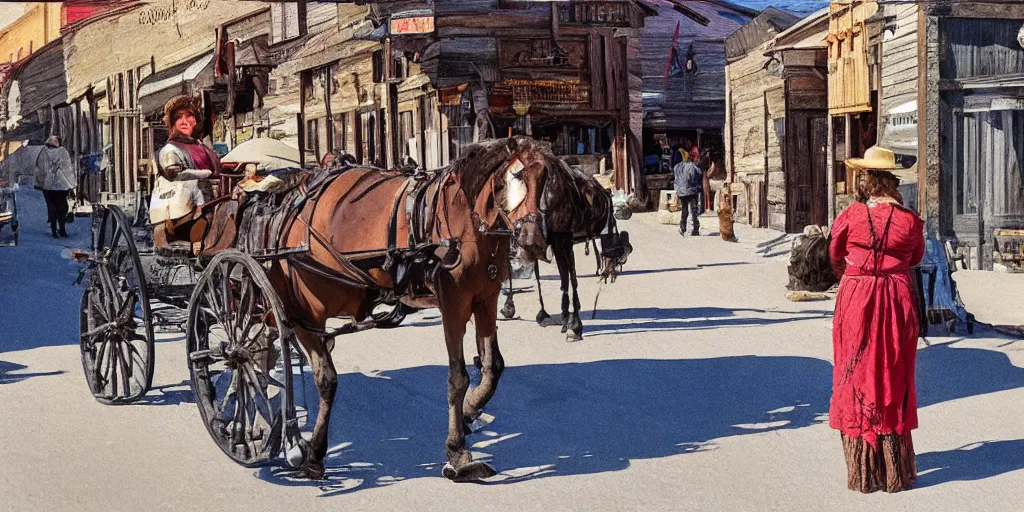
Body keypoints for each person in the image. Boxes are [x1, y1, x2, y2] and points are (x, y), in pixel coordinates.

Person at [828, 146, 924, 494]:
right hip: (897, 300)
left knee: (854, 375)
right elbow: (914, 257)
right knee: (893, 374)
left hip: (856, 298)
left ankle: (861, 470)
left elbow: (835, 254)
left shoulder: (851, 215)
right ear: (893, 181)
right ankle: (892, 470)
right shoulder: (910, 220)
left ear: (869, 180)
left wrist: (856, 276)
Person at [150, 95, 221, 245]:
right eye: (179, 118)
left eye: (189, 116)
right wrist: (205, 174)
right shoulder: (170, 149)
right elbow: (174, 175)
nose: (184, 121)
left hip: (212, 199)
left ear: (195, 121)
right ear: (172, 123)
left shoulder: (202, 147)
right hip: (181, 210)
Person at [34, 135, 77, 238]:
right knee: (61, 208)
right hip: (62, 185)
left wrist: (39, 183)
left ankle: (54, 231)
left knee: (52, 207)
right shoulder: (63, 152)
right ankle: (62, 230)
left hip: (48, 185)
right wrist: (72, 183)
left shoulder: (43, 153)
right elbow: (68, 169)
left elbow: (40, 169)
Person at [673, 151, 703, 237]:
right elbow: (697, 175)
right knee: (694, 209)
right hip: (692, 190)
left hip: (681, 191)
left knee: (684, 209)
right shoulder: (692, 166)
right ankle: (695, 229)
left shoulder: (676, 167)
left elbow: (676, 179)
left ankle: (682, 227)